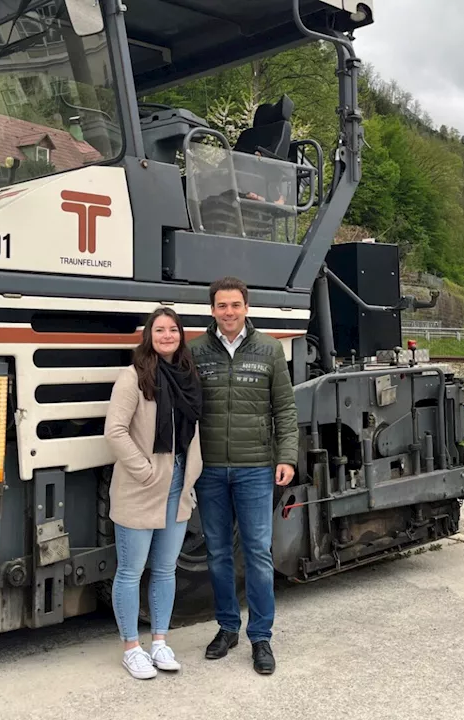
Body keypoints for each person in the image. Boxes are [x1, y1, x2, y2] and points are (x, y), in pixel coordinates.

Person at [188, 276, 298, 675]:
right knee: (217, 554)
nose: (229, 312)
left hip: (255, 469)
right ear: (212, 310)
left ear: (246, 308)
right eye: (222, 306)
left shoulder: (269, 349)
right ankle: (227, 627)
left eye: (235, 305)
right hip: (211, 469)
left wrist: (287, 456)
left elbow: (284, 408)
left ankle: (261, 637)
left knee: (257, 553)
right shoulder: (195, 351)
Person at [103, 307, 205, 680]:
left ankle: (159, 641)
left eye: (172, 330)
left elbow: (194, 431)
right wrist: (143, 469)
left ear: (181, 335)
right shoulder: (133, 377)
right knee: (131, 571)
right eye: (159, 330)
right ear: (149, 335)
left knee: (165, 569)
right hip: (140, 486)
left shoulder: (189, 376)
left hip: (178, 483)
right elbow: (115, 431)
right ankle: (132, 647)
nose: (166, 336)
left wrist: (192, 470)